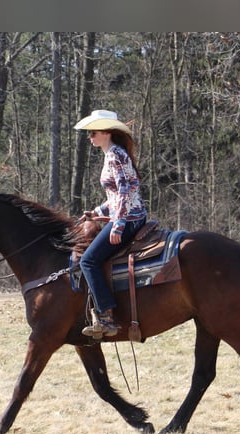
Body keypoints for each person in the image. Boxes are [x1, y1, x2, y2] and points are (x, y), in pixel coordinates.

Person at [73, 110, 148, 339]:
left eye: (93, 132)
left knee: (88, 260)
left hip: (129, 219)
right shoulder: (111, 155)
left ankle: (106, 317)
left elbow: (125, 192)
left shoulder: (115, 155)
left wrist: (118, 225)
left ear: (106, 132)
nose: (90, 137)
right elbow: (115, 196)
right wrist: (95, 213)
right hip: (126, 216)